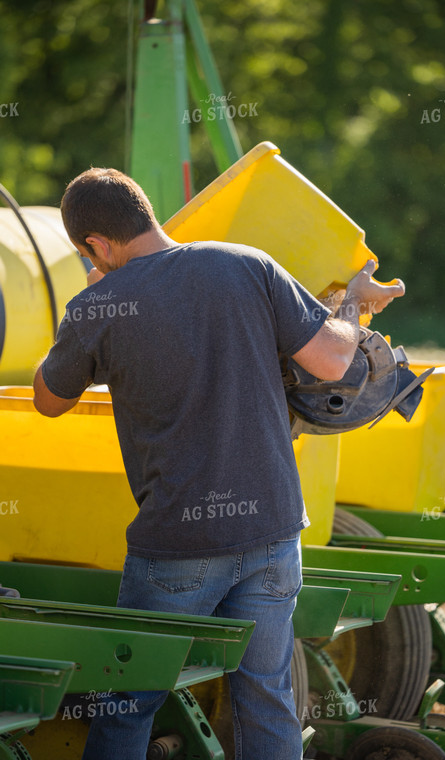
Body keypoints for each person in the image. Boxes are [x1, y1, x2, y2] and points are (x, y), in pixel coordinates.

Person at [33, 167, 405, 760]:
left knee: (127, 703)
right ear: (147, 214)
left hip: (176, 545)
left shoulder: (96, 305)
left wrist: (87, 309)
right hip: (275, 533)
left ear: (95, 246)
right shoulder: (246, 264)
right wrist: (353, 304)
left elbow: (48, 401)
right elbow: (334, 360)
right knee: (267, 698)